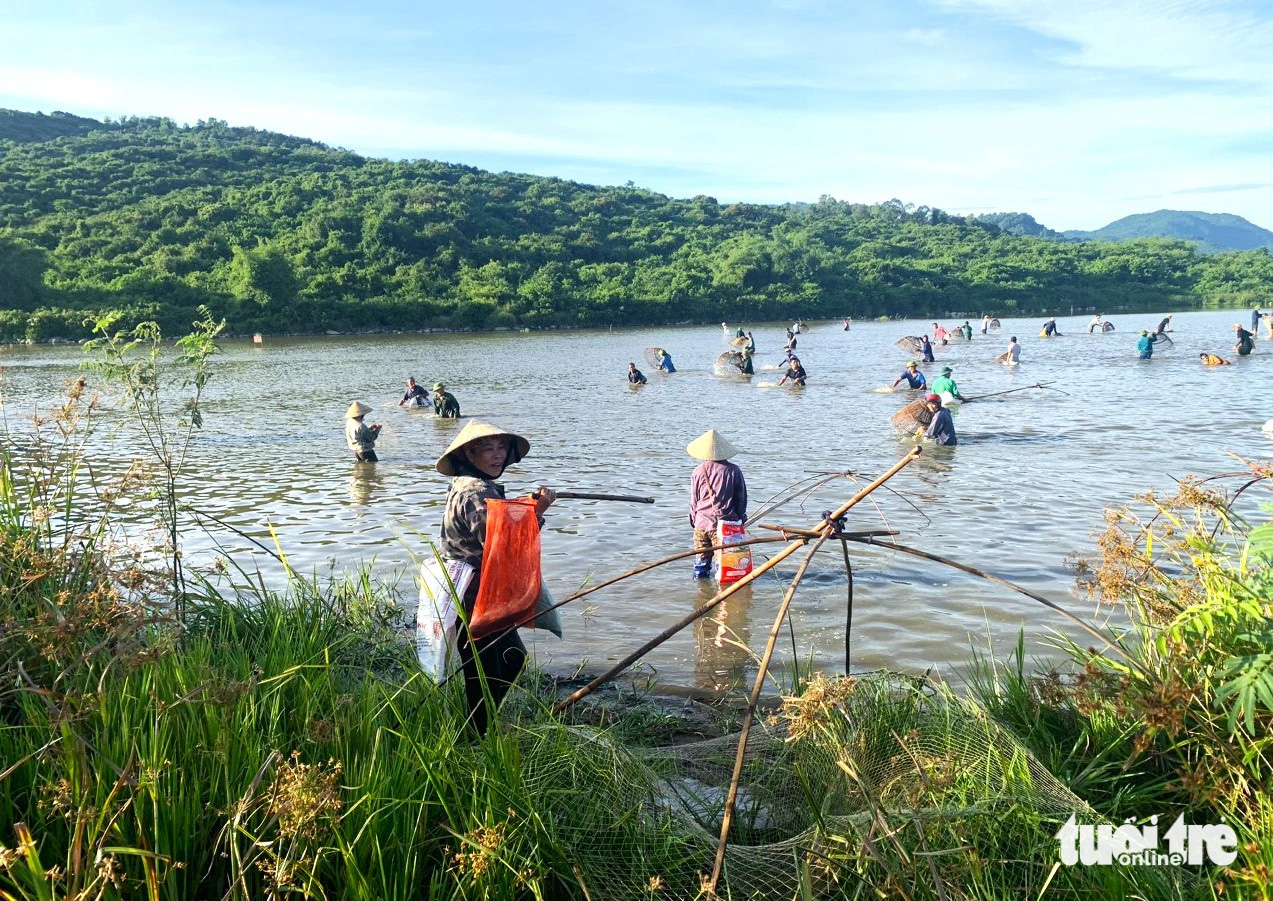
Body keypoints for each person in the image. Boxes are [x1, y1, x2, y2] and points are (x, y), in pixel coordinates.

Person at [436, 420, 556, 733]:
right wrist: (538, 512)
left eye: (501, 447)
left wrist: (524, 509)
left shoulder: (469, 484)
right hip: (474, 596)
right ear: (469, 454)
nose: (497, 455)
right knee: (484, 676)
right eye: (487, 449)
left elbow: (496, 522)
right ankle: (473, 738)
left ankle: (480, 727)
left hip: (473, 591)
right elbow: (501, 545)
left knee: (511, 659)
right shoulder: (477, 492)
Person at [687, 429, 747, 579]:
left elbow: (694, 500)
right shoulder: (733, 471)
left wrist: (694, 520)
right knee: (725, 569)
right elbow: (741, 499)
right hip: (724, 526)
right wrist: (740, 519)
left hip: (701, 524)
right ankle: (723, 598)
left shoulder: (698, 471)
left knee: (701, 564)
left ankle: (701, 593)